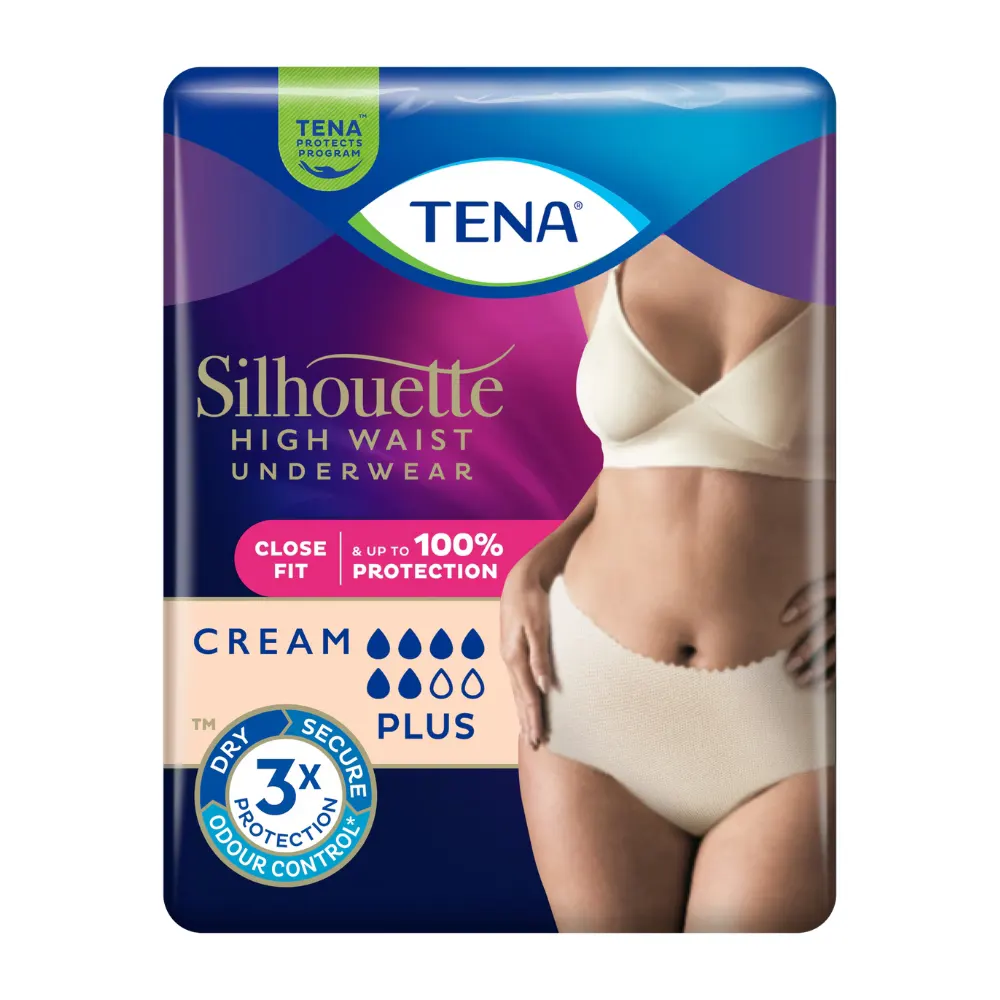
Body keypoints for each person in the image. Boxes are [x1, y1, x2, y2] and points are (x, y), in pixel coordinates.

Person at [501, 236, 835, 932]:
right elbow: (636, 459)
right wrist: (533, 565)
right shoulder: (608, 247)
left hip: (794, 703)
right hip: (587, 691)